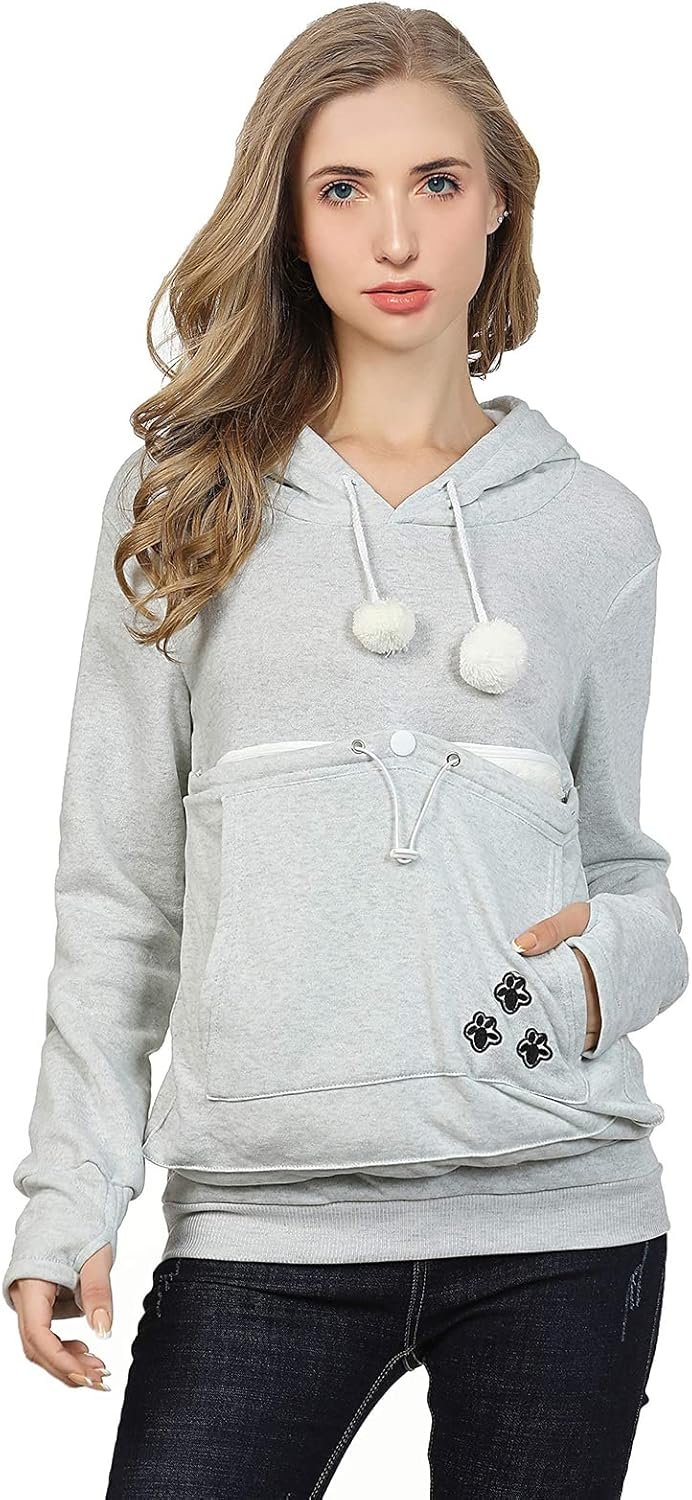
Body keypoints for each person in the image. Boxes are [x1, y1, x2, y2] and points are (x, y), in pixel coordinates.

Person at [4, 5, 687, 1495]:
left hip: (564, 1221)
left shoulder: (596, 528)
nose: (394, 234)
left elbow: (624, 867)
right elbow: (117, 890)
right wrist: (69, 1197)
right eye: (342, 188)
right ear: (291, 220)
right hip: (267, 1223)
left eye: (437, 182)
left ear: (500, 202)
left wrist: (594, 977)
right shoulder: (181, 503)